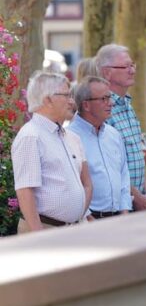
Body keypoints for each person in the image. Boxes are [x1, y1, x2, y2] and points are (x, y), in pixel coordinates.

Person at [12, 72, 93, 232]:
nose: (72, 101)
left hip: (73, 229)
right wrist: (40, 235)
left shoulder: (68, 136)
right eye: (67, 95)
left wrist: (78, 217)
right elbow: (25, 190)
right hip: (45, 230)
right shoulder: (31, 136)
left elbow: (86, 184)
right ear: (47, 99)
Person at [96, 44, 146, 210]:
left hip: (137, 202)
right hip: (118, 207)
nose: (132, 70)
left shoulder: (127, 104)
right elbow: (111, 166)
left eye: (132, 65)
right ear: (107, 72)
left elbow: (138, 156)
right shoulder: (103, 109)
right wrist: (137, 198)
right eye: (125, 66)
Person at [68, 76, 132, 219]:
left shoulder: (113, 135)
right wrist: (89, 219)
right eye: (104, 99)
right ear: (86, 105)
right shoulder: (69, 137)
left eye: (109, 97)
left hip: (119, 219)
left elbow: (123, 175)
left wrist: (125, 212)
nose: (111, 103)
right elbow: (72, 185)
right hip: (88, 222)